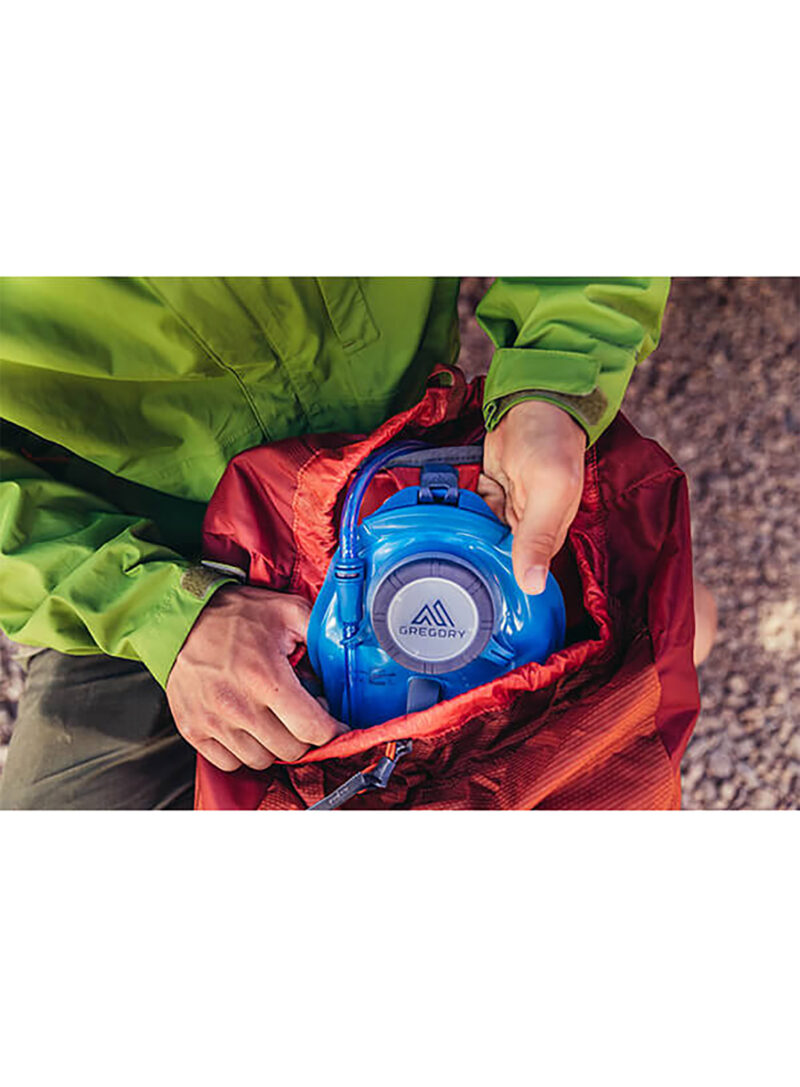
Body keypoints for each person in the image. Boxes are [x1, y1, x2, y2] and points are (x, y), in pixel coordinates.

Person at [0, 276, 704, 810]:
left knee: (643, 640)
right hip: (156, 546)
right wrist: (157, 610)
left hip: (424, 452)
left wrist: (552, 384)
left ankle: (669, 634)